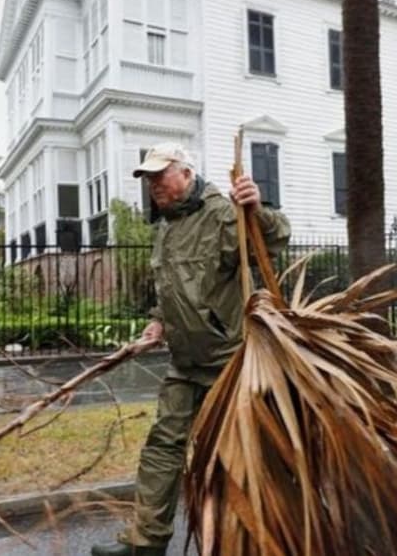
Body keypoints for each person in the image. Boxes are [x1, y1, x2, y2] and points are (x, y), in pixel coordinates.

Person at [91, 142, 290, 556]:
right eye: (148, 178)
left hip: (229, 364)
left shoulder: (221, 213)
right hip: (184, 363)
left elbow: (274, 241)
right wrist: (159, 320)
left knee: (243, 456)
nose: (153, 185)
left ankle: (262, 539)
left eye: (160, 175)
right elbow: (172, 288)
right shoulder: (165, 226)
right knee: (163, 448)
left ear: (186, 172)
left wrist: (258, 210)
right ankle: (146, 542)